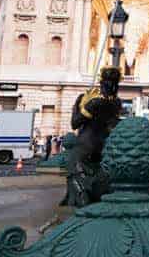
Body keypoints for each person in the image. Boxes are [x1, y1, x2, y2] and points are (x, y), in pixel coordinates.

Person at [63, 66, 121, 208]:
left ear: (101, 84)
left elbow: (75, 123)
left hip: (86, 146)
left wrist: (78, 106)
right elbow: (112, 124)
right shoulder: (116, 103)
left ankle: (82, 199)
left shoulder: (93, 102)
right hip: (104, 148)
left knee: (72, 167)